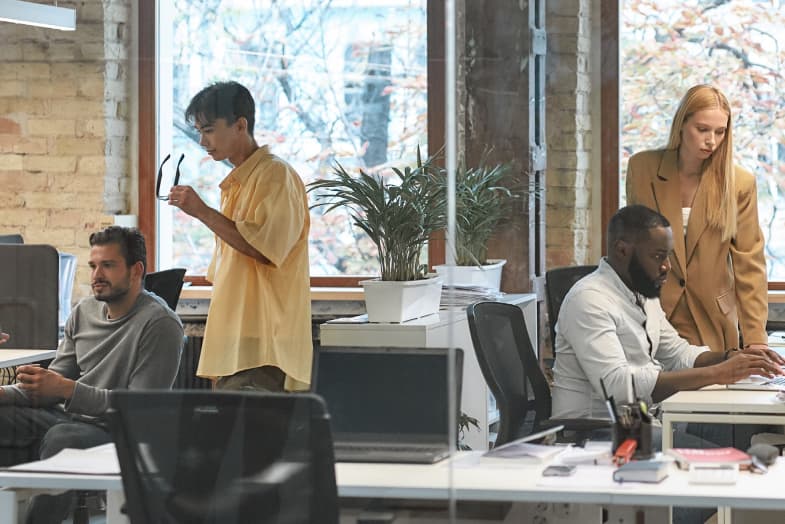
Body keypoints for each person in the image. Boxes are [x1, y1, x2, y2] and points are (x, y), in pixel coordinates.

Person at [0, 226, 184, 523]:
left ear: (136, 271)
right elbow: (52, 384)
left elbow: (139, 409)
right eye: (93, 265)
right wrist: (6, 393)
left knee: (63, 437)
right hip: (68, 417)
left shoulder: (161, 324)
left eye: (108, 266)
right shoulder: (84, 311)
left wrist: (68, 391)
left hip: (121, 432)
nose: (97, 275)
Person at [552, 205, 782, 421]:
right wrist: (717, 374)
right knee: (729, 442)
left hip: (645, 421)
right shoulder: (589, 300)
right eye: (658, 256)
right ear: (622, 250)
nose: (667, 267)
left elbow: (676, 354)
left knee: (739, 428)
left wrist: (731, 357)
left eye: (668, 256)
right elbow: (617, 387)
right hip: (600, 433)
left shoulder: (643, 292)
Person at [167, 81, 312, 392]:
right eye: (198, 131)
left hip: (263, 342)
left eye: (208, 130)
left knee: (247, 437)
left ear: (240, 125)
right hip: (238, 341)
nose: (202, 141)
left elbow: (265, 248)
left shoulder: (275, 175)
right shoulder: (239, 181)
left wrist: (202, 212)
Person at [626, 84, 768, 355]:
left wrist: (755, 338)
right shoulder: (642, 168)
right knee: (656, 395)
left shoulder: (740, 183)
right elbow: (632, 248)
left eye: (720, 132)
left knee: (711, 395)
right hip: (653, 314)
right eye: (702, 129)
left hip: (712, 319)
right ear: (682, 124)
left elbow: (749, 265)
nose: (711, 141)